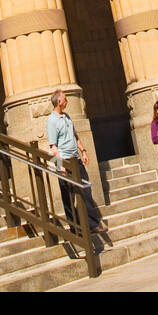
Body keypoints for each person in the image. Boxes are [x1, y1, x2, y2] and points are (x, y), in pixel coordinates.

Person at [46, 90, 107, 238]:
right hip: (65, 162)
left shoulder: (67, 117)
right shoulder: (52, 121)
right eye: (65, 99)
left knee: (86, 189)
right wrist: (59, 166)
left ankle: (93, 223)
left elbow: (75, 135)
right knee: (68, 195)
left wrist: (83, 151)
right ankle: (74, 227)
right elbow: (53, 147)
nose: (67, 101)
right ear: (59, 102)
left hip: (76, 159)